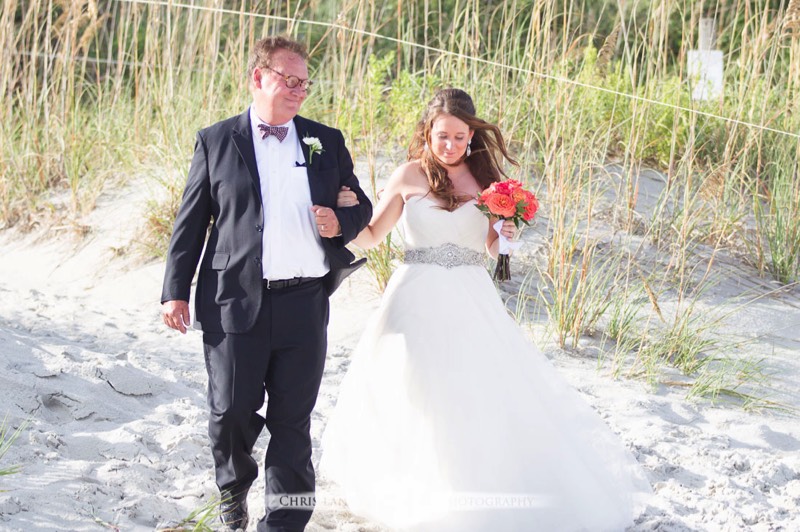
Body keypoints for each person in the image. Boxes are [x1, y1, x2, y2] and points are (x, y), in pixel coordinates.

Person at [321, 88, 652, 531]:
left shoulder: (491, 183)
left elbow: (496, 248)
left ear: (471, 136)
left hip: (469, 295)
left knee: (470, 388)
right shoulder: (408, 176)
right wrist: (342, 222)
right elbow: (372, 237)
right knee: (411, 386)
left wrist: (509, 229)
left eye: (459, 137)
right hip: (413, 294)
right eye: (442, 136)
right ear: (427, 133)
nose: (450, 146)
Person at [160, 36, 372, 532]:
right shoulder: (217, 140)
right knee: (231, 411)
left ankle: (284, 522)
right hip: (233, 300)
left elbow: (358, 206)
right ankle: (234, 490)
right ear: (259, 78)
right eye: (289, 80)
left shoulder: (325, 140)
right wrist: (175, 289)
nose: (299, 91)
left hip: (304, 301)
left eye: (305, 83)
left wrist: (339, 222)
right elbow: (191, 223)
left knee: (292, 424)